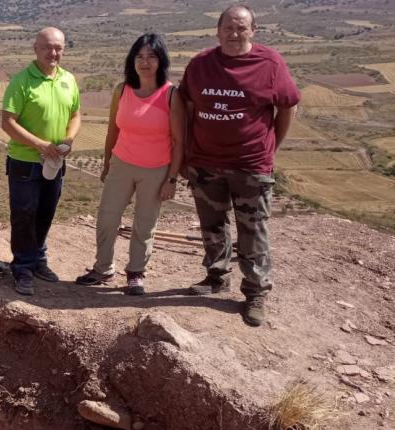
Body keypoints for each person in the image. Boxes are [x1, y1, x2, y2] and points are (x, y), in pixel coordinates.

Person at [179, 5, 300, 326]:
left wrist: (272, 147)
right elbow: (188, 107)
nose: (234, 34)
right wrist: (186, 154)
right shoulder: (201, 64)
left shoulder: (270, 63)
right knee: (212, 225)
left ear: (253, 31)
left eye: (241, 28)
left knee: (253, 231)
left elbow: (287, 107)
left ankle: (256, 291)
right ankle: (217, 277)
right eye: (228, 28)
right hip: (205, 162)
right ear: (217, 31)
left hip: (250, 165)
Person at [75, 33, 184, 295]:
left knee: (144, 224)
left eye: (151, 57)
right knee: (106, 219)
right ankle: (103, 268)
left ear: (161, 61)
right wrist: (106, 163)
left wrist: (171, 179)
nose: (145, 62)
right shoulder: (121, 91)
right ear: (132, 61)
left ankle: (135, 274)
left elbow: (180, 142)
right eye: (139, 57)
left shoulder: (171, 95)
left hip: (155, 170)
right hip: (122, 164)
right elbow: (113, 131)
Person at [1, 26, 82, 296]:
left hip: (55, 162)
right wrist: (39, 145)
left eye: (58, 47)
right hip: (25, 161)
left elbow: (75, 115)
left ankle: (37, 260)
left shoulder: (68, 79)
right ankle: (22, 267)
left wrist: (68, 140)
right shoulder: (22, 81)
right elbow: (7, 123)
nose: (53, 52)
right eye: (47, 47)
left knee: (46, 213)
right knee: (24, 214)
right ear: (35, 48)